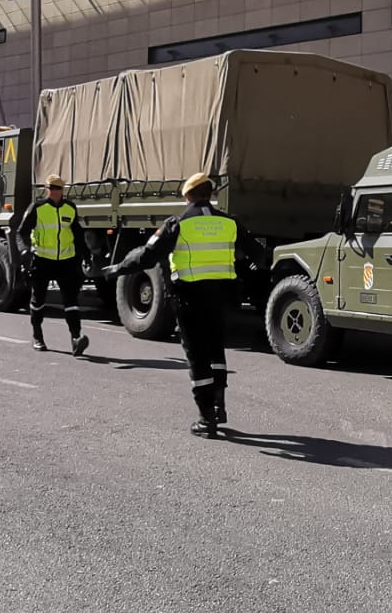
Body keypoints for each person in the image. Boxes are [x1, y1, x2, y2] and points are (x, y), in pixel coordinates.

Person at [106, 172, 236, 437]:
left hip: (189, 299)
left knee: (196, 356)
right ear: (211, 194)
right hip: (221, 298)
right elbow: (252, 252)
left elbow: (147, 256)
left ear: (187, 195)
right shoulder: (230, 223)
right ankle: (219, 406)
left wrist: (118, 268)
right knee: (216, 352)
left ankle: (206, 418)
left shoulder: (177, 224)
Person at [12, 173, 90, 356]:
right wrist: (25, 251)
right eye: (50, 188)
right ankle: (37, 336)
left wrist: (86, 255)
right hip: (42, 260)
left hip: (66, 261)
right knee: (38, 300)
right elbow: (20, 233)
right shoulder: (37, 208)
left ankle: (76, 339)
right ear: (46, 189)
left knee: (71, 302)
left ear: (63, 190)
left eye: (57, 188)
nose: (53, 192)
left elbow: (77, 234)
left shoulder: (70, 208)